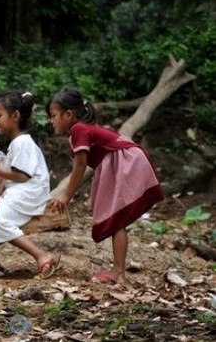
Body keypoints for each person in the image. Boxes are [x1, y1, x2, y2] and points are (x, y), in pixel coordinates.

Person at [45, 87, 164, 284]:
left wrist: (66, 196)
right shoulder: (80, 129)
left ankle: (118, 272)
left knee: (117, 218)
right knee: (117, 218)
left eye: (54, 115)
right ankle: (118, 270)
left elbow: (80, 165)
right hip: (122, 160)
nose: (51, 121)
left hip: (126, 161)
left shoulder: (78, 129)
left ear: (68, 114)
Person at [0, 90, 61, 279]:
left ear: (15, 116)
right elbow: (8, 180)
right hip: (18, 190)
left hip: (30, 192)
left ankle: (42, 256)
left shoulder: (22, 143)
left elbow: (22, 176)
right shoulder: (15, 143)